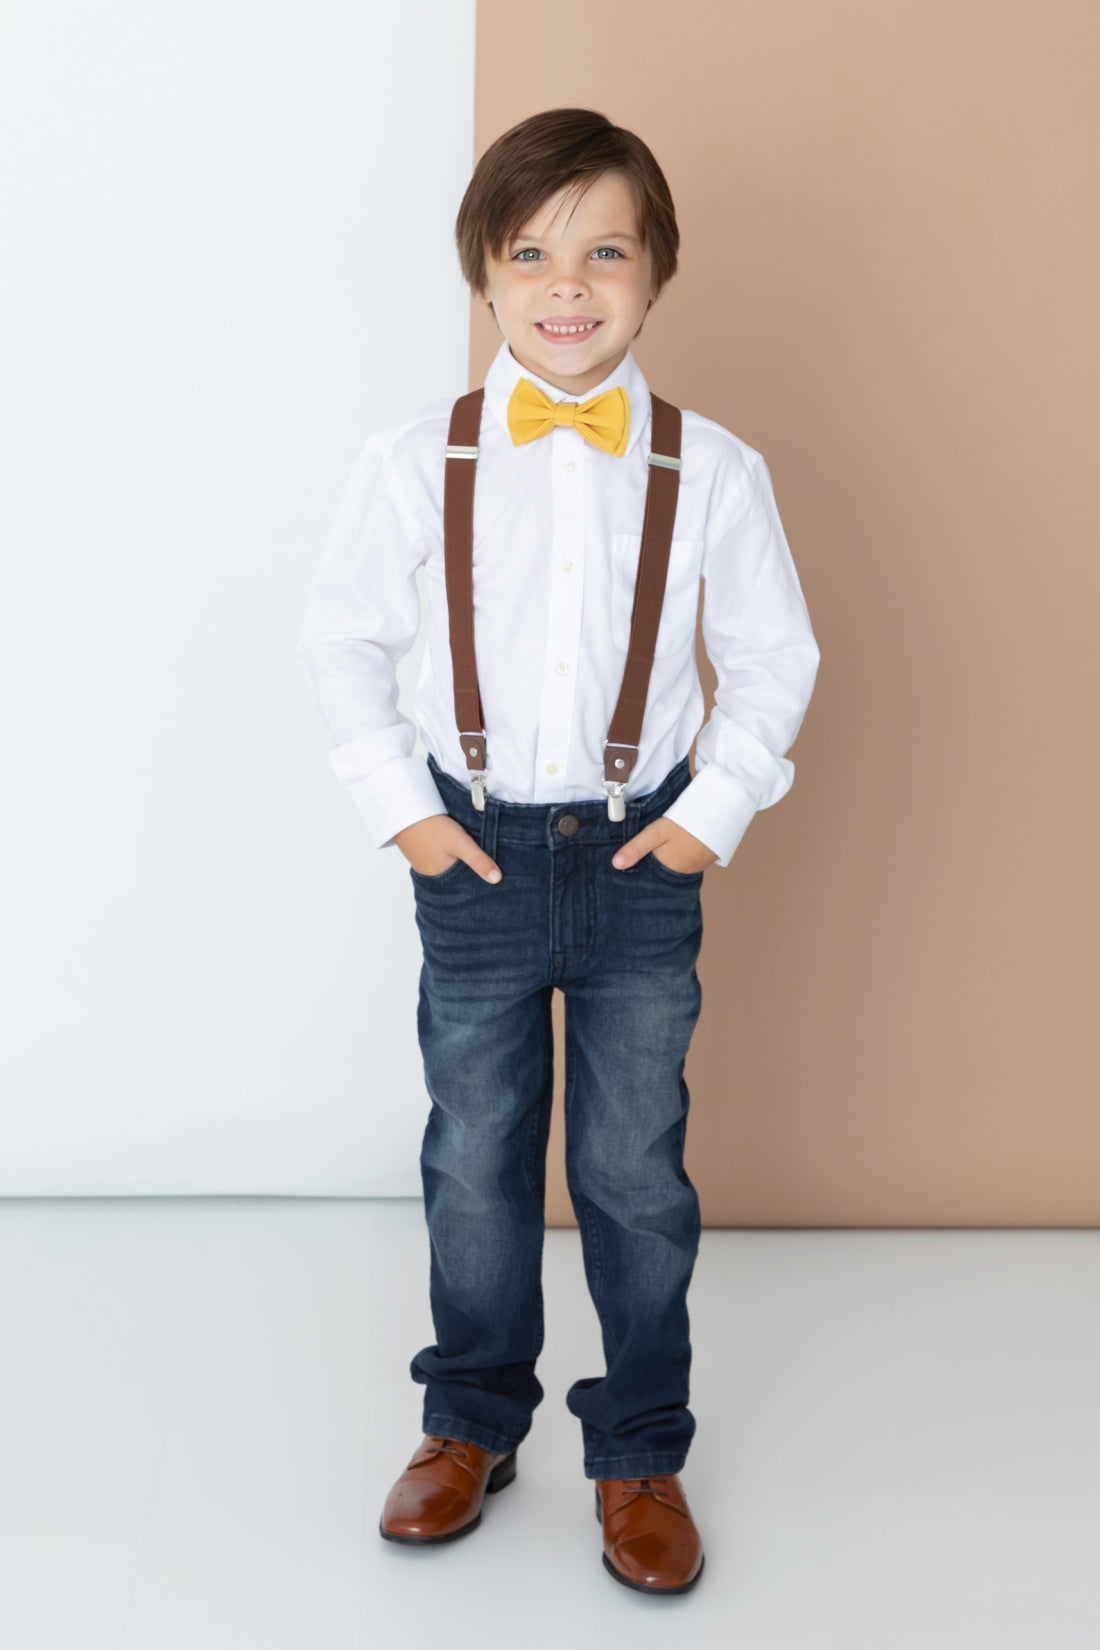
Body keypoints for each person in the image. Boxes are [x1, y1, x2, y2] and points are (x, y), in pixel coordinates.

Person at [297, 107, 820, 1595]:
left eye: (605, 251)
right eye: (531, 253)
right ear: (484, 274)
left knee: (633, 1164)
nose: (567, 283)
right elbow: (342, 639)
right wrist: (403, 806)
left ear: (655, 277)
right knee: (475, 1153)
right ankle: (470, 1419)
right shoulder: (418, 459)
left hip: (641, 857)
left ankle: (640, 1443)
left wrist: (707, 815)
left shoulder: (709, 466)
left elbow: (773, 656)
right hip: (471, 853)